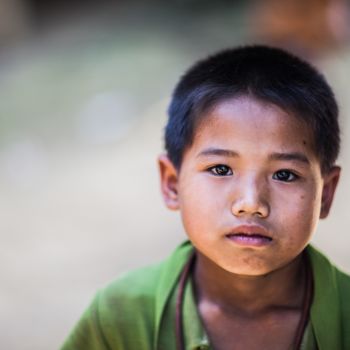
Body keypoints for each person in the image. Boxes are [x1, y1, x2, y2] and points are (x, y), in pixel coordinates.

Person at [61, 45, 350, 349]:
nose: (251, 203)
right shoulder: (120, 317)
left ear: (325, 194)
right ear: (172, 184)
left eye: (285, 175)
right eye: (221, 168)